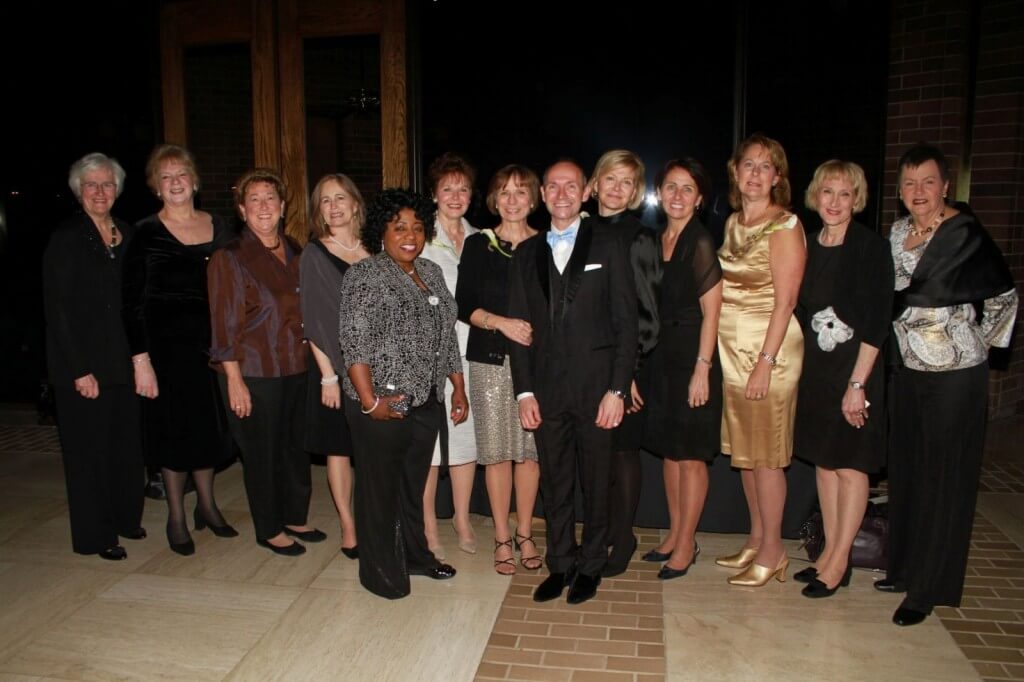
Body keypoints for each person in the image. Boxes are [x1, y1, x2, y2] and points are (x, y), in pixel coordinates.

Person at [879, 143, 1017, 626]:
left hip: (956, 374)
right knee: (907, 470)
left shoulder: (963, 232)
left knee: (944, 478)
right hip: (906, 369)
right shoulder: (898, 232)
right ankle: (904, 568)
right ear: (899, 190)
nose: (918, 191)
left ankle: (930, 587)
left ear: (945, 187)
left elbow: (1004, 296)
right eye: (909, 183)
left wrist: (976, 344)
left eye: (928, 182)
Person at [509, 160, 638, 605]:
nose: (562, 193)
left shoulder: (610, 243)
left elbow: (627, 324)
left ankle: (592, 564)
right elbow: (520, 330)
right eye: (553, 186)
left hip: (598, 389)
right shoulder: (525, 254)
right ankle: (561, 562)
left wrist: (618, 390)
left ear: (585, 193)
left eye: (571, 186)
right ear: (542, 194)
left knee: (597, 481)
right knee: (555, 481)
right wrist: (524, 391)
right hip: (546, 390)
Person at [339, 188, 466, 599]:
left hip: (426, 399)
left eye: (417, 227)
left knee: (412, 487)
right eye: (399, 228)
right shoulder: (365, 275)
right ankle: (380, 572)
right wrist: (370, 402)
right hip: (383, 401)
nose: (410, 236)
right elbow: (354, 343)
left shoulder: (430, 271)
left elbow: (446, 334)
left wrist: (457, 386)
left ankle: (415, 556)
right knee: (379, 490)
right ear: (382, 231)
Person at [123, 144, 236, 555]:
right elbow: (131, 301)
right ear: (156, 187)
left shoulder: (219, 226)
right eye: (165, 177)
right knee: (173, 433)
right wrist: (141, 360)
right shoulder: (145, 232)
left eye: (181, 174)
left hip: (211, 347)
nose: (174, 182)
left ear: (195, 181)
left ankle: (207, 505)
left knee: (206, 429)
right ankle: (175, 516)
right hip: (165, 351)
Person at [790, 160, 893, 597]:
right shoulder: (808, 245)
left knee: (851, 465)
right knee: (824, 462)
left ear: (857, 200)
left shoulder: (871, 248)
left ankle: (838, 561)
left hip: (856, 372)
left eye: (845, 194)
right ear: (816, 196)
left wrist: (857, 386)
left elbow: (877, 322)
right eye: (827, 192)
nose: (834, 202)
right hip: (818, 374)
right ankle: (831, 554)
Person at [208, 168, 323, 556]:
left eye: (270, 198)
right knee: (263, 453)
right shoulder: (230, 257)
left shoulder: (295, 250)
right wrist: (234, 380)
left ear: (283, 206)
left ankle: (294, 516)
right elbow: (224, 325)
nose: (263, 206)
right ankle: (269, 527)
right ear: (242, 210)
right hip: (254, 372)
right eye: (253, 200)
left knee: (294, 449)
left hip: (296, 367)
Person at [43, 152, 145, 560]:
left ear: (117, 189)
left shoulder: (128, 233)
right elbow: (58, 310)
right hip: (83, 365)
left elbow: (137, 302)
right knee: (89, 454)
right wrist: (79, 370)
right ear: (78, 191)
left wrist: (142, 358)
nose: (100, 192)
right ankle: (96, 535)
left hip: (122, 360)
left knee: (124, 446)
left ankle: (125, 518)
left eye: (107, 184)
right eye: (91, 185)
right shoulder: (66, 237)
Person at [715, 134, 806, 586]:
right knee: (747, 455)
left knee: (767, 457)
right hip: (734, 351)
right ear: (735, 171)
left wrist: (766, 362)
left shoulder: (784, 225)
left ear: (777, 177)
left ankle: (775, 551)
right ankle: (756, 538)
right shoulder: (734, 222)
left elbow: (786, 302)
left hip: (769, 351)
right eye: (747, 164)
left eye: (764, 166)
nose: (754, 173)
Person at [640, 158, 723, 580]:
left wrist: (702, 369)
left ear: (699, 198)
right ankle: (675, 533)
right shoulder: (656, 240)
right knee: (670, 453)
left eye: (687, 188)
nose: (677, 195)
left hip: (693, 357)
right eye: (670, 187)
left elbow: (713, 314)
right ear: (659, 194)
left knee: (690, 456)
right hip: (661, 359)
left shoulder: (700, 241)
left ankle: (688, 543)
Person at [456, 165, 541, 575]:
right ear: (493, 199)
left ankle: (525, 533)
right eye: (504, 192)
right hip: (489, 360)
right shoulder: (479, 244)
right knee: (497, 453)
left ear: (533, 199)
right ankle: (502, 537)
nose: (512, 200)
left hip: (537, 363)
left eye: (520, 192)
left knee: (530, 451)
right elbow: (463, 304)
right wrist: (502, 323)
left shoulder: (546, 246)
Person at [586, 149, 661, 577]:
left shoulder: (640, 237)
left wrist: (628, 372)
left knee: (623, 452)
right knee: (597, 454)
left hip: (628, 365)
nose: (617, 188)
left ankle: (624, 535)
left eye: (627, 182)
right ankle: (602, 532)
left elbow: (647, 314)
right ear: (595, 184)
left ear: (635, 193)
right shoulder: (579, 230)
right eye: (610, 179)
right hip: (587, 361)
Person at [300, 173, 370, 559]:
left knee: (372, 448)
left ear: (355, 204)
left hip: (375, 367)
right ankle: (349, 526)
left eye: (340, 198)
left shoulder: (375, 248)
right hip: (334, 367)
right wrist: (328, 376)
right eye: (325, 201)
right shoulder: (314, 254)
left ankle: (375, 519)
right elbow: (312, 318)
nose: (334, 206)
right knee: (339, 449)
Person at [421, 153, 480, 558]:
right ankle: (428, 524)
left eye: (463, 189)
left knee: (466, 436)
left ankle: (462, 517)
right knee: (429, 441)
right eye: (447, 189)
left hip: (473, 349)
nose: (455, 196)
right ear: (434, 194)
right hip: (431, 350)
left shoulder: (481, 238)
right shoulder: (420, 237)